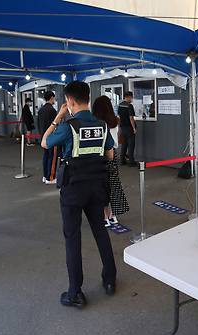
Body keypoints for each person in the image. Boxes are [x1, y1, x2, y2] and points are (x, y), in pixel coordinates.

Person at [41, 81, 117, 309]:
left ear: (70, 101)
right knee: (100, 231)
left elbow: (45, 143)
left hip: (73, 189)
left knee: (73, 238)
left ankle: (75, 292)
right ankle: (110, 279)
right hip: (97, 187)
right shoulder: (102, 125)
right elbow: (110, 156)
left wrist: (58, 118)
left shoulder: (68, 126)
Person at [92, 96, 130, 226]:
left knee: (101, 187)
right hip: (114, 155)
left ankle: (105, 216)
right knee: (113, 186)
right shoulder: (115, 120)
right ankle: (113, 215)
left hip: (101, 156)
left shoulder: (97, 122)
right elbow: (116, 139)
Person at [38, 91, 59, 184]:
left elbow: (38, 124)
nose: (54, 100)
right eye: (54, 98)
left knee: (46, 156)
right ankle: (50, 178)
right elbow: (54, 125)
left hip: (43, 137)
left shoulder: (41, 110)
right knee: (52, 157)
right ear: (51, 98)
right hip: (51, 137)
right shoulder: (52, 110)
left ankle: (45, 176)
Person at [117, 91, 137, 166]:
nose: (132, 99)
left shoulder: (120, 105)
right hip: (129, 128)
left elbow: (118, 117)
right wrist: (134, 128)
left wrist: (119, 127)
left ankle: (122, 160)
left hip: (122, 127)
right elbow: (131, 118)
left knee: (124, 144)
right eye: (131, 97)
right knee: (131, 144)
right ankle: (131, 162)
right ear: (128, 97)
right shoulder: (129, 106)